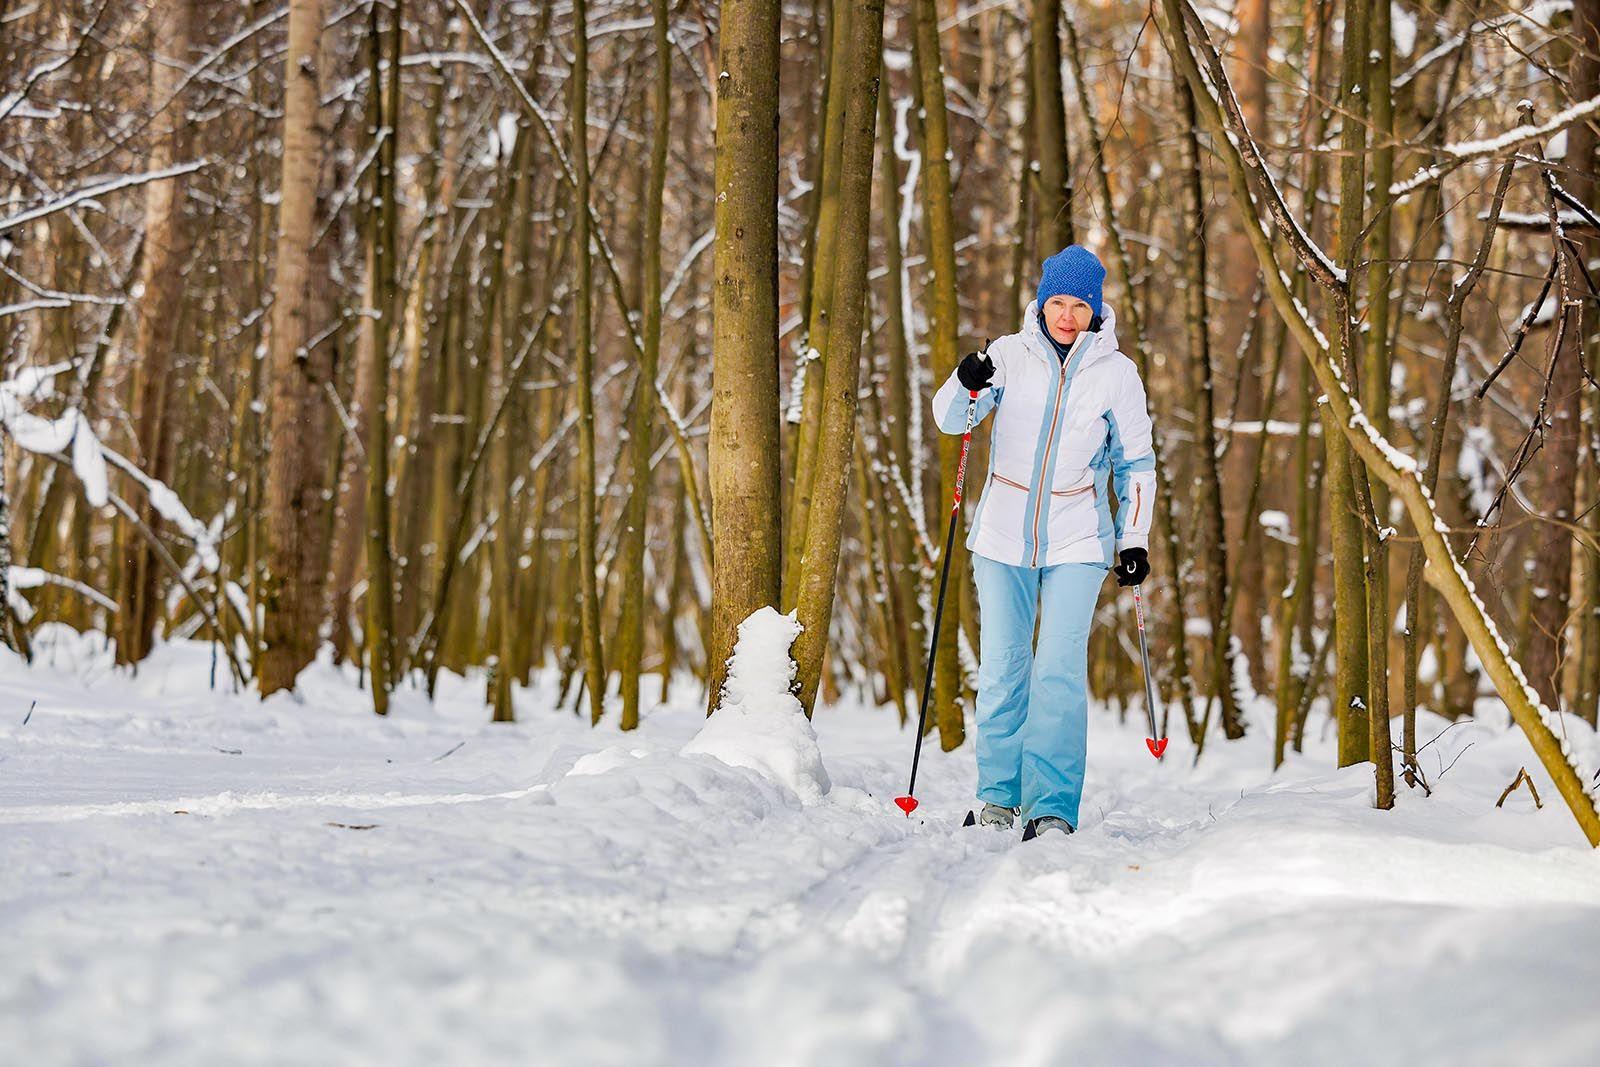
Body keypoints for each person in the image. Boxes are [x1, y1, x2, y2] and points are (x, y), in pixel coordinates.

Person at [930, 244, 1156, 839]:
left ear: (1096, 310)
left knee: (1057, 670)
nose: (1066, 315)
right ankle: (997, 798)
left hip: (1079, 539)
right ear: (1041, 300)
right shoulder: (1007, 355)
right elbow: (954, 420)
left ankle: (1053, 806)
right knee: (1004, 668)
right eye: (1057, 301)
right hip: (1003, 537)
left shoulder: (1117, 374)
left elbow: (1138, 463)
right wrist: (965, 380)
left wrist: (1134, 538)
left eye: (1080, 305)